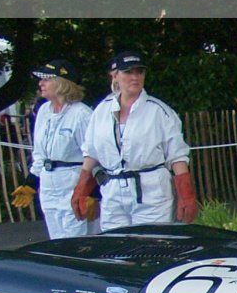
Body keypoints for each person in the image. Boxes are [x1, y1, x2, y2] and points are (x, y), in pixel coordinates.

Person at [75, 51, 196, 230]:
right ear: (115, 75)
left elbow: (177, 156)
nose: (135, 77)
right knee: (115, 248)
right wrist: (81, 190)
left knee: (152, 245)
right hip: (113, 192)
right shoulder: (101, 111)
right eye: (128, 72)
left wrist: (186, 195)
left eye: (139, 72)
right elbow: (91, 153)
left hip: (151, 192)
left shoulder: (160, 112)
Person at [27, 57, 94, 240]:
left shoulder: (81, 114)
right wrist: (32, 180)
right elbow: (39, 152)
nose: (41, 83)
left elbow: (94, 155)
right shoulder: (44, 111)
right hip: (49, 183)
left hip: (72, 180)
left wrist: (91, 191)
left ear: (62, 83)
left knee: (76, 239)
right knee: (56, 241)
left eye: (46, 79)